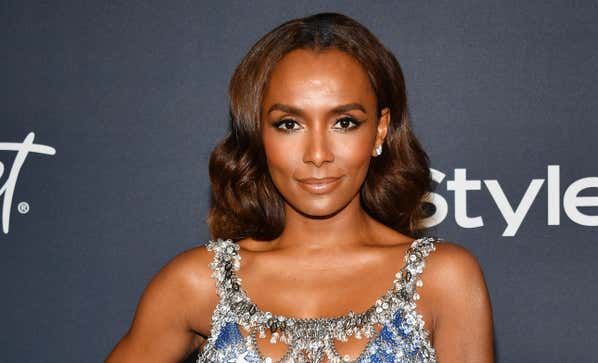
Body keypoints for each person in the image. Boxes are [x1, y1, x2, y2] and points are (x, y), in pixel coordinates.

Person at [106, 12, 493, 363]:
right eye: (289, 124)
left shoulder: (445, 279)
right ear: (259, 133)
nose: (318, 154)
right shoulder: (195, 283)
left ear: (380, 129)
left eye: (345, 122)